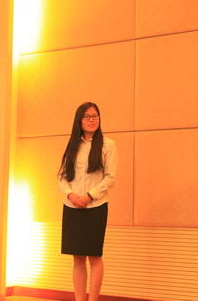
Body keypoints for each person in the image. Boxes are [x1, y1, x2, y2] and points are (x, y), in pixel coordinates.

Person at [58, 102, 117, 301]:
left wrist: (89, 195)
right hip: (72, 207)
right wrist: (71, 195)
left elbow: (110, 177)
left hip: (96, 207)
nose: (92, 120)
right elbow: (62, 177)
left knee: (95, 256)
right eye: (87, 116)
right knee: (78, 258)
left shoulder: (108, 144)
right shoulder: (72, 145)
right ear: (79, 120)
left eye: (95, 116)